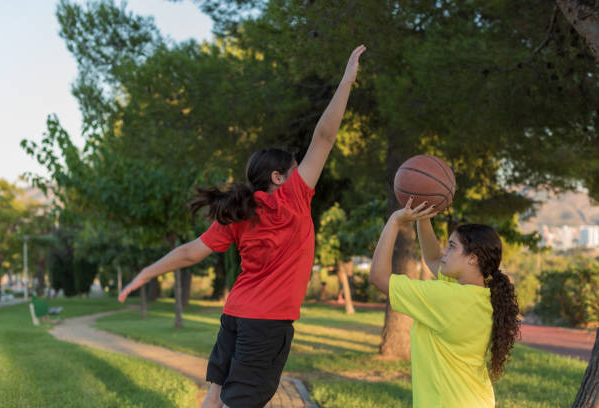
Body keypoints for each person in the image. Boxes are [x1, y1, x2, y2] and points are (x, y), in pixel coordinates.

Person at [118, 45, 366, 408]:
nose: (303, 176)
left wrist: (147, 271)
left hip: (235, 315)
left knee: (216, 395)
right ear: (279, 177)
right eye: (296, 171)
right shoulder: (293, 197)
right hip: (265, 326)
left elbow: (189, 253)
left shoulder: (239, 214)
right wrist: (347, 81)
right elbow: (324, 137)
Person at [369, 198, 520, 407]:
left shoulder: (447, 298)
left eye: (451, 247)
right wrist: (423, 218)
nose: (444, 253)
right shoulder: (481, 295)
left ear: (473, 258)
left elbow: (378, 276)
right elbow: (432, 257)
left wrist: (394, 221)